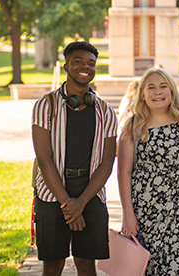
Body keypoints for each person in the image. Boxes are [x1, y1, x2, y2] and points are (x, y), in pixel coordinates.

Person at [117, 67, 179, 275]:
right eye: (151, 88)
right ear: (142, 94)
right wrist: (128, 214)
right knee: (158, 267)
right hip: (149, 212)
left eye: (163, 87)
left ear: (172, 91)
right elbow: (123, 173)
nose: (157, 92)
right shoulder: (133, 126)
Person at [31, 41, 118, 276]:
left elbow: (107, 164)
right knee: (53, 265)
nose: (85, 67)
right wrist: (68, 204)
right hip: (52, 193)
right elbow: (44, 160)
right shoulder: (45, 106)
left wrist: (81, 203)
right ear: (67, 66)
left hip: (91, 192)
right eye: (78, 61)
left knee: (87, 264)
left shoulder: (107, 112)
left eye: (91, 63)